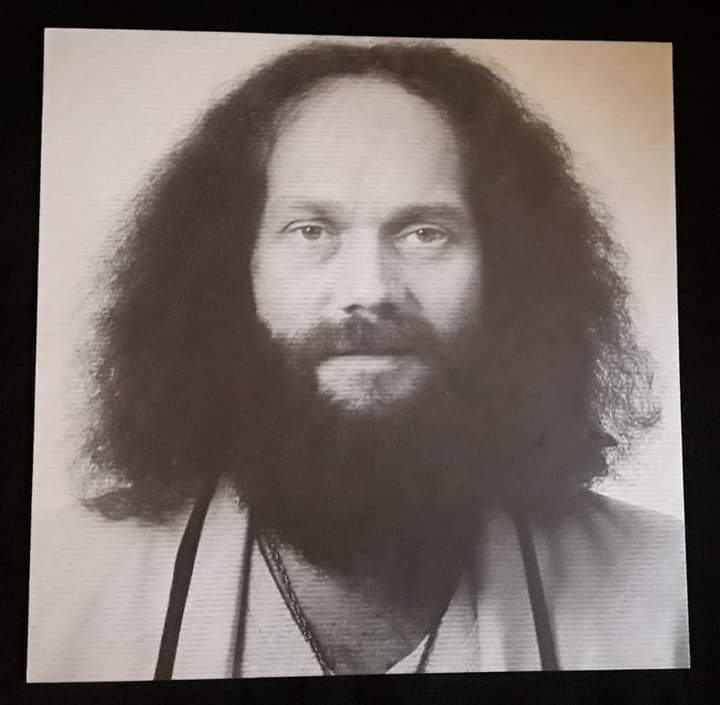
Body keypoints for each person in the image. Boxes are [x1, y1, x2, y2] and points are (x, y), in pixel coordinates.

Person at [27, 39, 688, 681]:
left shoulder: (669, 597)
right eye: (311, 230)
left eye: (425, 233)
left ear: (507, 274)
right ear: (232, 273)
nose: (368, 289)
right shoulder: (52, 590)